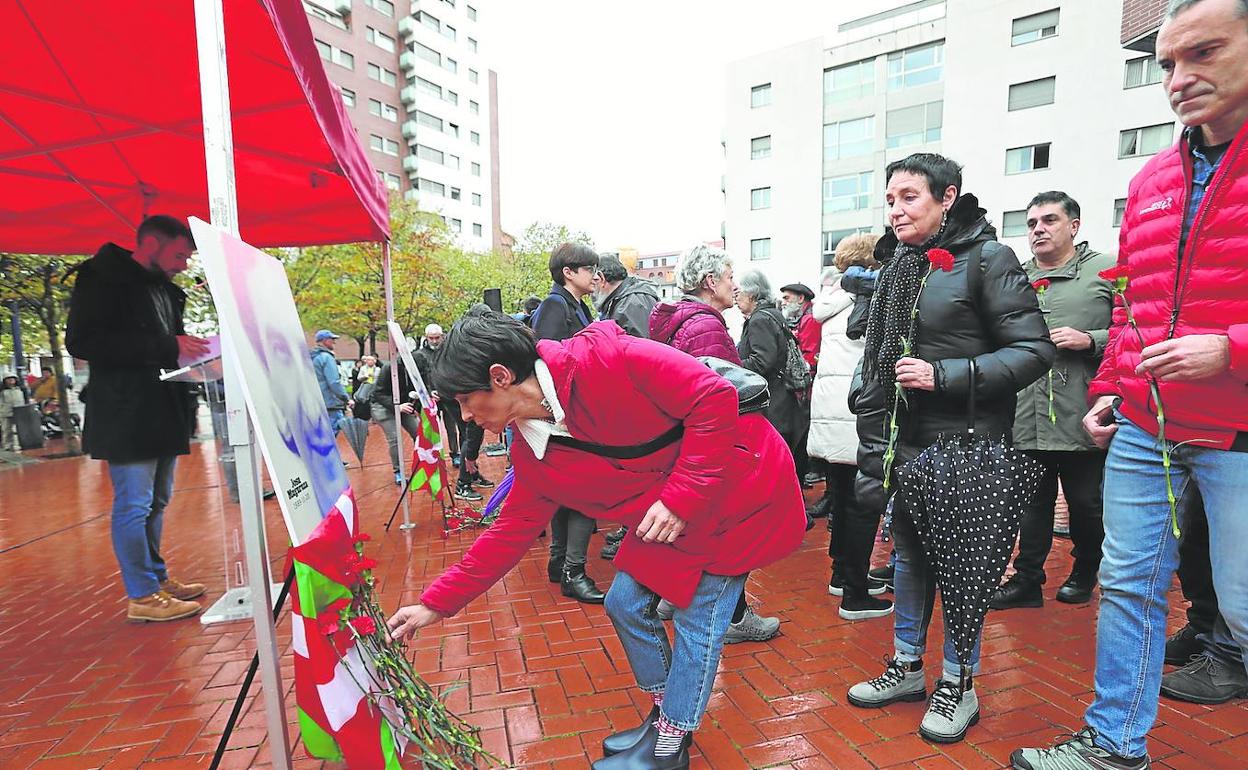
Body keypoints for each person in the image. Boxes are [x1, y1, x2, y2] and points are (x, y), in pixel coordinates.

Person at [386, 311, 806, 770]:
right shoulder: (533, 450)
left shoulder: (611, 359)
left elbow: (713, 396)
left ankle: (670, 744)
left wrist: (680, 498)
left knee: (699, 621)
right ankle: (666, 714)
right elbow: (508, 533)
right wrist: (435, 604)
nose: (464, 415)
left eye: (467, 400)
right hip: (674, 513)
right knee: (623, 602)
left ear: (501, 377)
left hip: (739, 491)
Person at [1013, 2, 1248, 766]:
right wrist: (1112, 386)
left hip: (1239, 431)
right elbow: (1139, 304)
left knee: (1243, 610)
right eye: (1167, 65)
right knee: (1128, 586)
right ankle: (1114, 744)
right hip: (1149, 426)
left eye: (1204, 53)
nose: (1180, 79)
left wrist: (1232, 349)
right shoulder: (1152, 178)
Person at [847, 152, 1053, 744]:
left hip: (970, 446)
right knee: (909, 557)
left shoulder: (989, 258)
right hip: (906, 444)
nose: (896, 210)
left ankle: (959, 683)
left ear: (947, 197)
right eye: (890, 199)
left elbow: (1034, 352)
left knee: (963, 569)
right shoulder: (899, 267)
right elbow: (875, 362)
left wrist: (947, 375)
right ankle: (908, 666)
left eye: (909, 197)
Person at [64, 215, 208, 622]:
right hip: (126, 411)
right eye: (179, 254)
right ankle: (142, 595)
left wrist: (191, 357)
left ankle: (156, 580)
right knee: (134, 503)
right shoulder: (101, 280)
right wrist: (167, 345)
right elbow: (82, 341)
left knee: (156, 501)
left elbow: (166, 345)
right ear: (151, 244)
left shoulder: (160, 288)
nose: (184, 264)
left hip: (162, 408)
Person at [648, 244, 780, 643]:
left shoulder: (681, 320)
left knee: (699, 528)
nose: (734, 285)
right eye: (728, 277)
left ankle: (674, 594)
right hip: (707, 449)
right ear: (710, 283)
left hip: (682, 446)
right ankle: (736, 618)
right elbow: (719, 401)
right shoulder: (705, 326)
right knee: (727, 534)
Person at [991, 192, 1114, 612]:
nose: (1038, 229)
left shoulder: (1105, 270)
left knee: (1086, 504)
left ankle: (1084, 571)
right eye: (1031, 223)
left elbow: (1137, 333)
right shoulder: (1014, 277)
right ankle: (1027, 581)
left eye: (1049, 220)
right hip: (1025, 414)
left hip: (1083, 411)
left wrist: (1090, 340)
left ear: (1073, 226)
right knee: (1030, 505)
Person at [808, 234, 893, 621]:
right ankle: (855, 594)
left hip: (831, 413)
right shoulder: (866, 298)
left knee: (842, 497)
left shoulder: (829, 300)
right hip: (858, 414)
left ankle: (842, 575)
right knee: (863, 503)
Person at [532, 243, 605, 604]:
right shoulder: (555, 305)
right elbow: (545, 357)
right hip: (568, 413)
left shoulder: (575, 305)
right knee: (584, 490)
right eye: (589, 268)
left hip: (575, 409)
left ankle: (560, 562)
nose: (596, 275)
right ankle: (572, 572)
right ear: (568, 272)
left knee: (571, 491)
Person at [736, 271, 801, 477]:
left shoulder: (759, 320)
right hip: (784, 398)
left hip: (773, 403)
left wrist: (732, 364)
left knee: (773, 465)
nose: (736, 297)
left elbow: (762, 361)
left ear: (752, 294)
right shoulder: (773, 314)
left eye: (740, 292)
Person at [781, 282, 820, 488]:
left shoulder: (810, 319)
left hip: (808, 387)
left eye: (787, 298)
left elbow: (809, 355)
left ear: (800, 298)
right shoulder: (805, 317)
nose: (784, 302)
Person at [594, 253, 660, 338]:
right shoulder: (623, 299)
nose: (592, 290)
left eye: (594, 281)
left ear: (601, 278)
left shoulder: (632, 303)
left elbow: (642, 346)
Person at [310, 329, 348, 436]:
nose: (334, 342)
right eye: (332, 339)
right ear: (325, 341)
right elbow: (334, 382)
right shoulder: (326, 357)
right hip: (330, 402)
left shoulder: (312, 357)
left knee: (320, 433)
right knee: (331, 432)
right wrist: (345, 397)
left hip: (316, 402)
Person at [1, 375, 26, 450]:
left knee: (21, 430)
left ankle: (22, 444)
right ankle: (8, 446)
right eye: (8, 379)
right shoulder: (2, 391)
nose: (11, 381)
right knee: (7, 430)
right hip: (5, 413)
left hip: (19, 412)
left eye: (12, 379)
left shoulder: (20, 389)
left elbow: (25, 400)